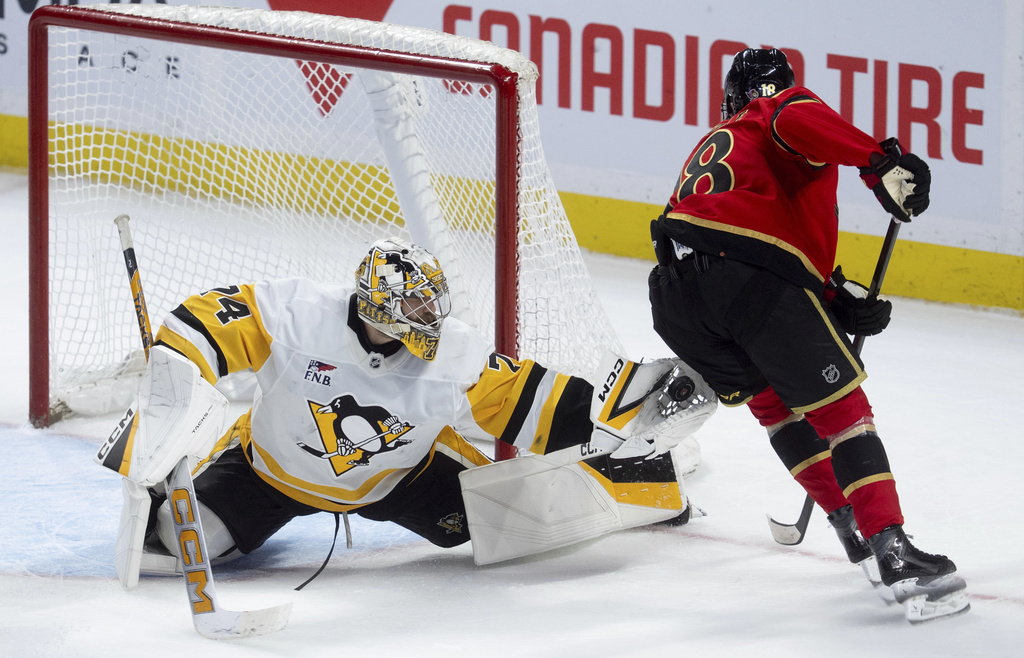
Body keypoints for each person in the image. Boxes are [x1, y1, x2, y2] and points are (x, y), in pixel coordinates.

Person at [109, 237, 708, 584]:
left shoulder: (455, 356)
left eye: (431, 312)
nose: (429, 327)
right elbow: (208, 319)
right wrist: (175, 373)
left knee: (500, 526)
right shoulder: (297, 316)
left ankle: (646, 485)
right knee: (181, 544)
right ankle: (168, 495)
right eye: (413, 314)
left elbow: (533, 402)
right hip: (268, 469)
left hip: (402, 477)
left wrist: (617, 432)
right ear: (374, 307)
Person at [646, 48, 968, 623]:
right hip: (745, 284)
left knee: (778, 408)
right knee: (845, 413)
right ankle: (891, 549)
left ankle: (849, 526)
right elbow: (794, 118)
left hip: (675, 295)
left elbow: (764, 237)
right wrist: (877, 161)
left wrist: (836, 300)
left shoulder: (726, 142)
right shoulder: (776, 111)